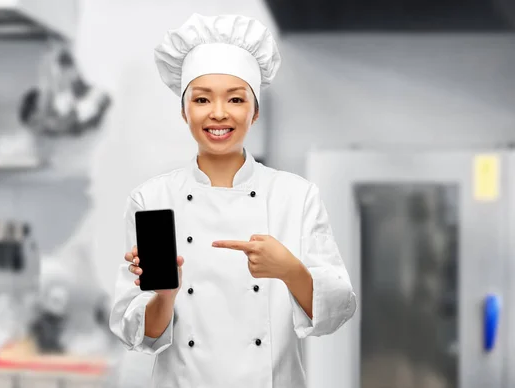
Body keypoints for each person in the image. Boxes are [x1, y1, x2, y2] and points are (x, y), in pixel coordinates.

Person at [109, 13, 357, 388]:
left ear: (254, 111)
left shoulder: (296, 196)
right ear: (183, 110)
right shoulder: (152, 199)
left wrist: (288, 268)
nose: (219, 113)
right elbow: (140, 335)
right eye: (202, 99)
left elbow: (336, 312)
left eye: (236, 99)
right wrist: (165, 294)